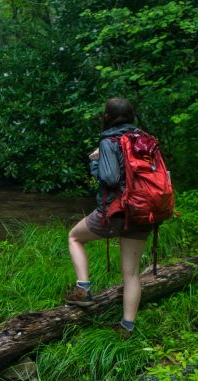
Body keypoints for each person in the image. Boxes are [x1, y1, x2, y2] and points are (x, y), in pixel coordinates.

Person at [63, 97, 153, 338]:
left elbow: (110, 179)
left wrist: (95, 162)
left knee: (74, 237)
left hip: (117, 211)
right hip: (144, 209)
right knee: (131, 273)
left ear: (107, 116)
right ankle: (127, 327)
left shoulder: (109, 140)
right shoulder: (144, 139)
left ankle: (83, 289)